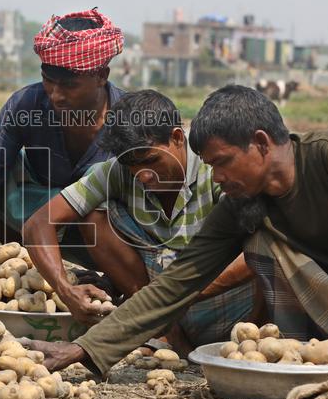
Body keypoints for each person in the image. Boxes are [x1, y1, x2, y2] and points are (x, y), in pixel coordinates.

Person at [27, 85, 328, 382]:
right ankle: (310, 367)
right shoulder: (243, 204)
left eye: (221, 163)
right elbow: (178, 283)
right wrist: (88, 349)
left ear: (258, 143)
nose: (215, 178)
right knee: (265, 243)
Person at [21, 90, 255, 351]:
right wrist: (65, 289)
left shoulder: (214, 168)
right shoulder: (120, 170)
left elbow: (258, 250)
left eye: (151, 161)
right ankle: (166, 332)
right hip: (160, 301)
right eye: (132, 166)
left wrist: (180, 293)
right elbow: (38, 223)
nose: (142, 176)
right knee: (94, 213)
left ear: (177, 138)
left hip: (226, 304)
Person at [0, 8, 125, 289]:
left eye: (69, 85)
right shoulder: (27, 104)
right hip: (36, 217)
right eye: (48, 81)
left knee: (102, 186)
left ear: (102, 75)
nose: (56, 95)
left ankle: (115, 279)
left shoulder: (129, 119)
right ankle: (23, 261)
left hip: (101, 234)